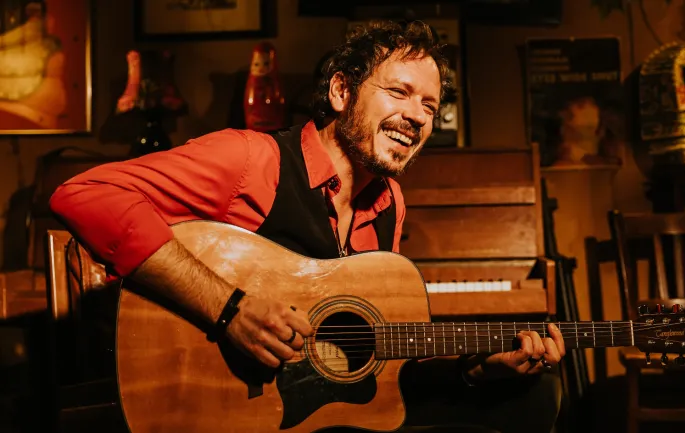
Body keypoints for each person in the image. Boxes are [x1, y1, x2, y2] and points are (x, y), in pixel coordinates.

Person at [49, 20, 566, 433]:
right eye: (400, 92)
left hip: (321, 412)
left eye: (430, 105)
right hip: (209, 400)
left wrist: (476, 369)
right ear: (342, 91)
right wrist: (230, 310)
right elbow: (83, 195)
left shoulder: (390, 203)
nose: (417, 116)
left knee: (532, 396)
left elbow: (379, 355)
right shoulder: (250, 160)